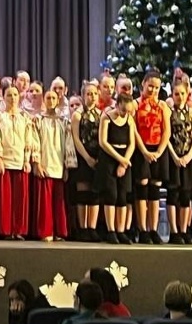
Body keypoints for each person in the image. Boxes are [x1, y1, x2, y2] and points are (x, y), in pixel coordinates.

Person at [134, 69, 171, 244]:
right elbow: (134, 130)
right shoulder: (135, 104)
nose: (153, 90)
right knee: (142, 187)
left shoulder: (162, 106)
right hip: (142, 150)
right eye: (150, 86)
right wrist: (145, 151)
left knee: (155, 188)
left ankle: (153, 229)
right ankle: (143, 230)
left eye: (156, 88)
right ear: (143, 84)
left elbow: (166, 131)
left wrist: (159, 151)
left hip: (158, 150)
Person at [0, 85, 33, 240]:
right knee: (5, 198)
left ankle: (18, 230)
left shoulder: (25, 118)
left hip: (20, 161)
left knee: (19, 199)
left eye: (15, 94)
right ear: (3, 97)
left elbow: (28, 139)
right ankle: (6, 230)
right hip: (5, 161)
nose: (13, 98)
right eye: (9, 95)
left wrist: (27, 160)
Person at [32, 88, 71, 242]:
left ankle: (59, 231)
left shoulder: (63, 121)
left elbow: (68, 144)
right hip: (45, 163)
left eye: (53, 98)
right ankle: (46, 231)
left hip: (59, 164)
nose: (51, 101)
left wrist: (67, 166)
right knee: (45, 201)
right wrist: (37, 163)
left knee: (59, 200)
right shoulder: (38, 120)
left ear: (58, 100)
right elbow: (34, 141)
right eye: (48, 98)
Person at [97, 93, 136, 244]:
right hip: (109, 157)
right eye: (123, 110)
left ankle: (121, 230)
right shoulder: (106, 117)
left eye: (128, 111)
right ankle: (111, 230)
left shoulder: (129, 119)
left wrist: (124, 162)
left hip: (124, 158)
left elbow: (132, 143)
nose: (126, 113)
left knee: (122, 196)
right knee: (111, 195)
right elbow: (103, 142)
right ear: (117, 104)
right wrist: (120, 159)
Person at [166, 79, 192, 244]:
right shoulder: (169, 112)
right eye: (176, 94)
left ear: (187, 94)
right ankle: (174, 231)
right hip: (174, 157)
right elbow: (166, 137)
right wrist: (175, 156)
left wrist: (189, 155)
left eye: (182, 94)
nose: (179, 97)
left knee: (186, 195)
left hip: (188, 157)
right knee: (173, 194)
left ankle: (184, 229)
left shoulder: (191, 112)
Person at [70, 81, 101, 242]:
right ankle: (82, 228)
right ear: (83, 96)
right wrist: (87, 158)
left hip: (97, 156)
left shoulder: (101, 114)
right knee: (83, 192)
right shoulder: (78, 115)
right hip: (83, 156)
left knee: (94, 192)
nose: (92, 97)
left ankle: (92, 227)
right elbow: (76, 138)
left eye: (95, 93)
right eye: (89, 94)